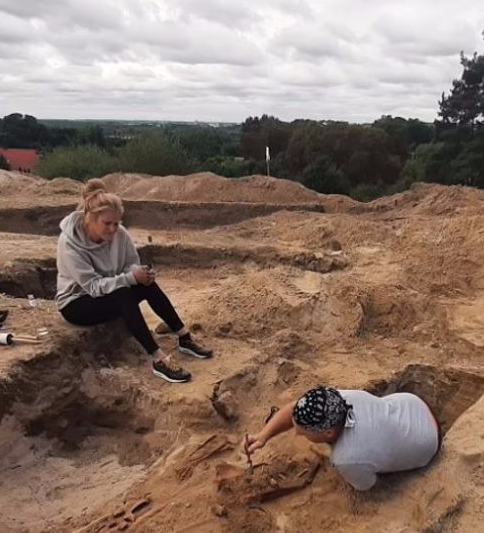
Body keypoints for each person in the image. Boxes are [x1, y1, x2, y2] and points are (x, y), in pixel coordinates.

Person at [56, 178, 212, 383]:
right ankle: (158, 359)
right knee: (123, 293)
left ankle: (184, 337)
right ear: (90, 219)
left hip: (108, 292)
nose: (113, 229)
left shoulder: (119, 234)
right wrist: (130, 278)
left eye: (116, 223)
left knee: (145, 283)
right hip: (78, 302)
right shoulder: (69, 243)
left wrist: (140, 273)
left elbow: (131, 263)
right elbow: (93, 287)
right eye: (107, 223)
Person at [245, 385, 440, 490]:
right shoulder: (339, 399)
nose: (297, 433)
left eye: (304, 432)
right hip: (413, 406)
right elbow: (293, 409)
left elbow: (368, 486)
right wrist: (263, 436)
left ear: (328, 432)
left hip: (426, 444)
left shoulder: (348, 458)